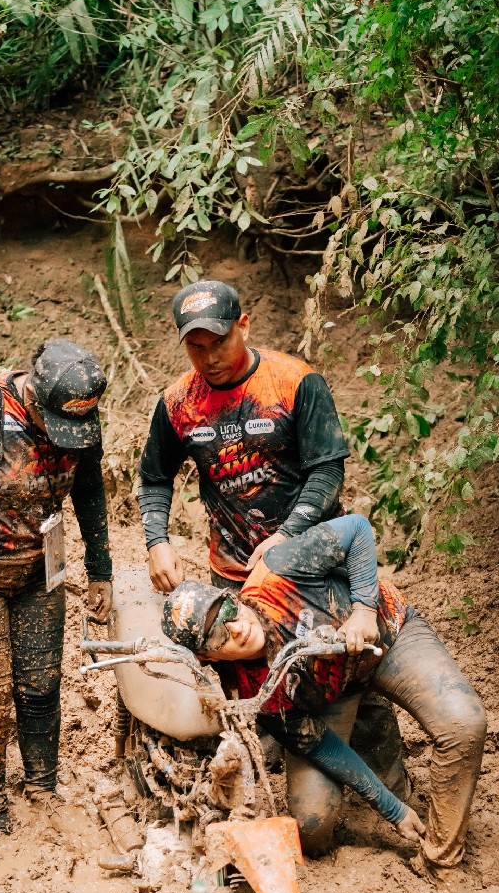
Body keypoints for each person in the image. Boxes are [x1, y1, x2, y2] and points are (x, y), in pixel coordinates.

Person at [138, 278, 408, 800]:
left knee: (350, 665)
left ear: (244, 325)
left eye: (219, 341)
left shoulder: (293, 383)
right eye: (196, 346)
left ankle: (389, 786)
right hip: (233, 574)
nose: (210, 358)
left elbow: (327, 471)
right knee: (260, 691)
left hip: (313, 561)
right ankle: (283, 781)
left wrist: (288, 535)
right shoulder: (177, 403)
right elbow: (153, 477)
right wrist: (156, 539)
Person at [161, 514, 487, 881]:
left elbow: (358, 529)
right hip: (335, 691)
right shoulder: (255, 694)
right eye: (218, 635)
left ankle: (441, 863)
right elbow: (319, 744)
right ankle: (369, 725)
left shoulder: (279, 572)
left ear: (232, 597)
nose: (236, 629)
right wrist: (392, 809)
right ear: (209, 657)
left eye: (228, 611)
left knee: (463, 723)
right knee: (312, 826)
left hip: (387, 634)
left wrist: (363, 609)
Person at [0, 339, 113, 836]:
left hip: (41, 571)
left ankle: (42, 788)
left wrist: (100, 566)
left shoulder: (80, 418)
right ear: (34, 394)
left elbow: (89, 489)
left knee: (41, 685)